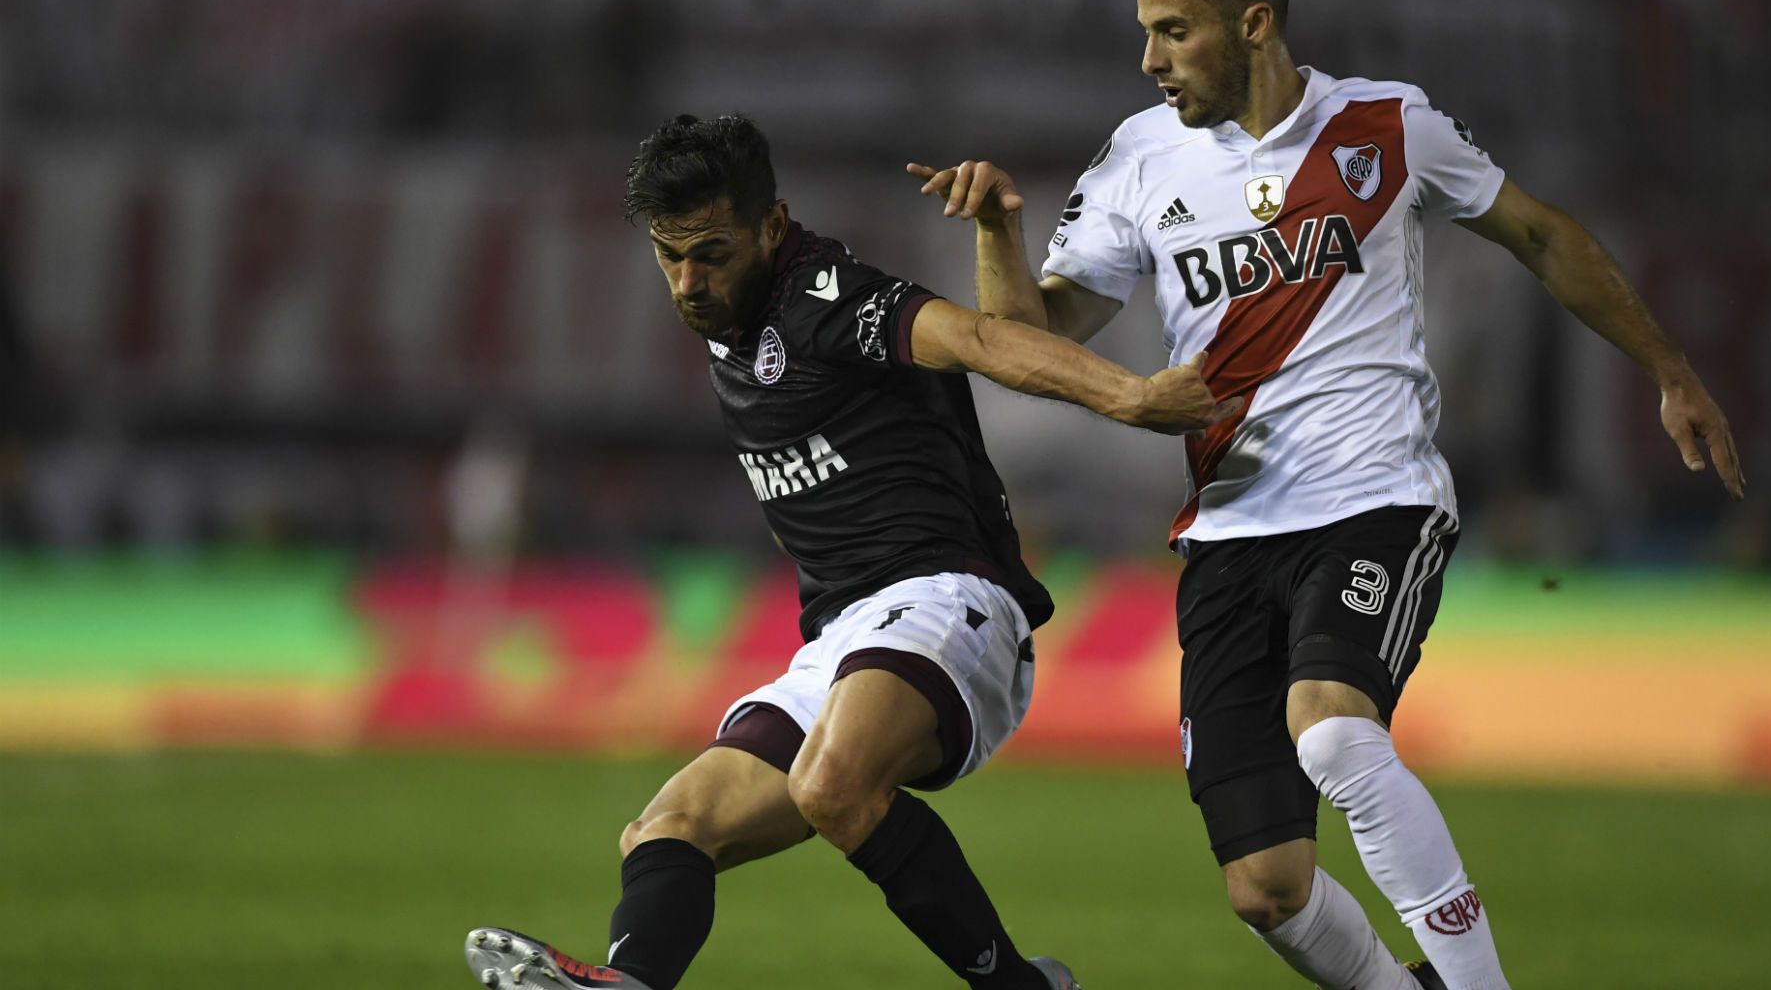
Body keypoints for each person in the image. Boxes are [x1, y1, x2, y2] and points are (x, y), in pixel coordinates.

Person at [910, 0, 1745, 988]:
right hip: (1228, 537)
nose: (1149, 58)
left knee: (1334, 731)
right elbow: (1036, 337)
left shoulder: (1387, 127)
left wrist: (1670, 367)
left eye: (1173, 31)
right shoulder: (1139, 158)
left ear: (1254, 23)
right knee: (1265, 885)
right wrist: (996, 234)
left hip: (1374, 504)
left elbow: (1539, 231)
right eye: (1145, 33)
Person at [462, 113, 1234, 990]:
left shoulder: (829, 299)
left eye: (711, 253)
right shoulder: (727, 313)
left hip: (952, 603)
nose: (688, 281)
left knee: (832, 785)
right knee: (668, 828)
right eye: (669, 255)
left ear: (773, 228)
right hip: (841, 638)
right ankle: (629, 984)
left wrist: (1134, 400)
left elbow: (980, 339)